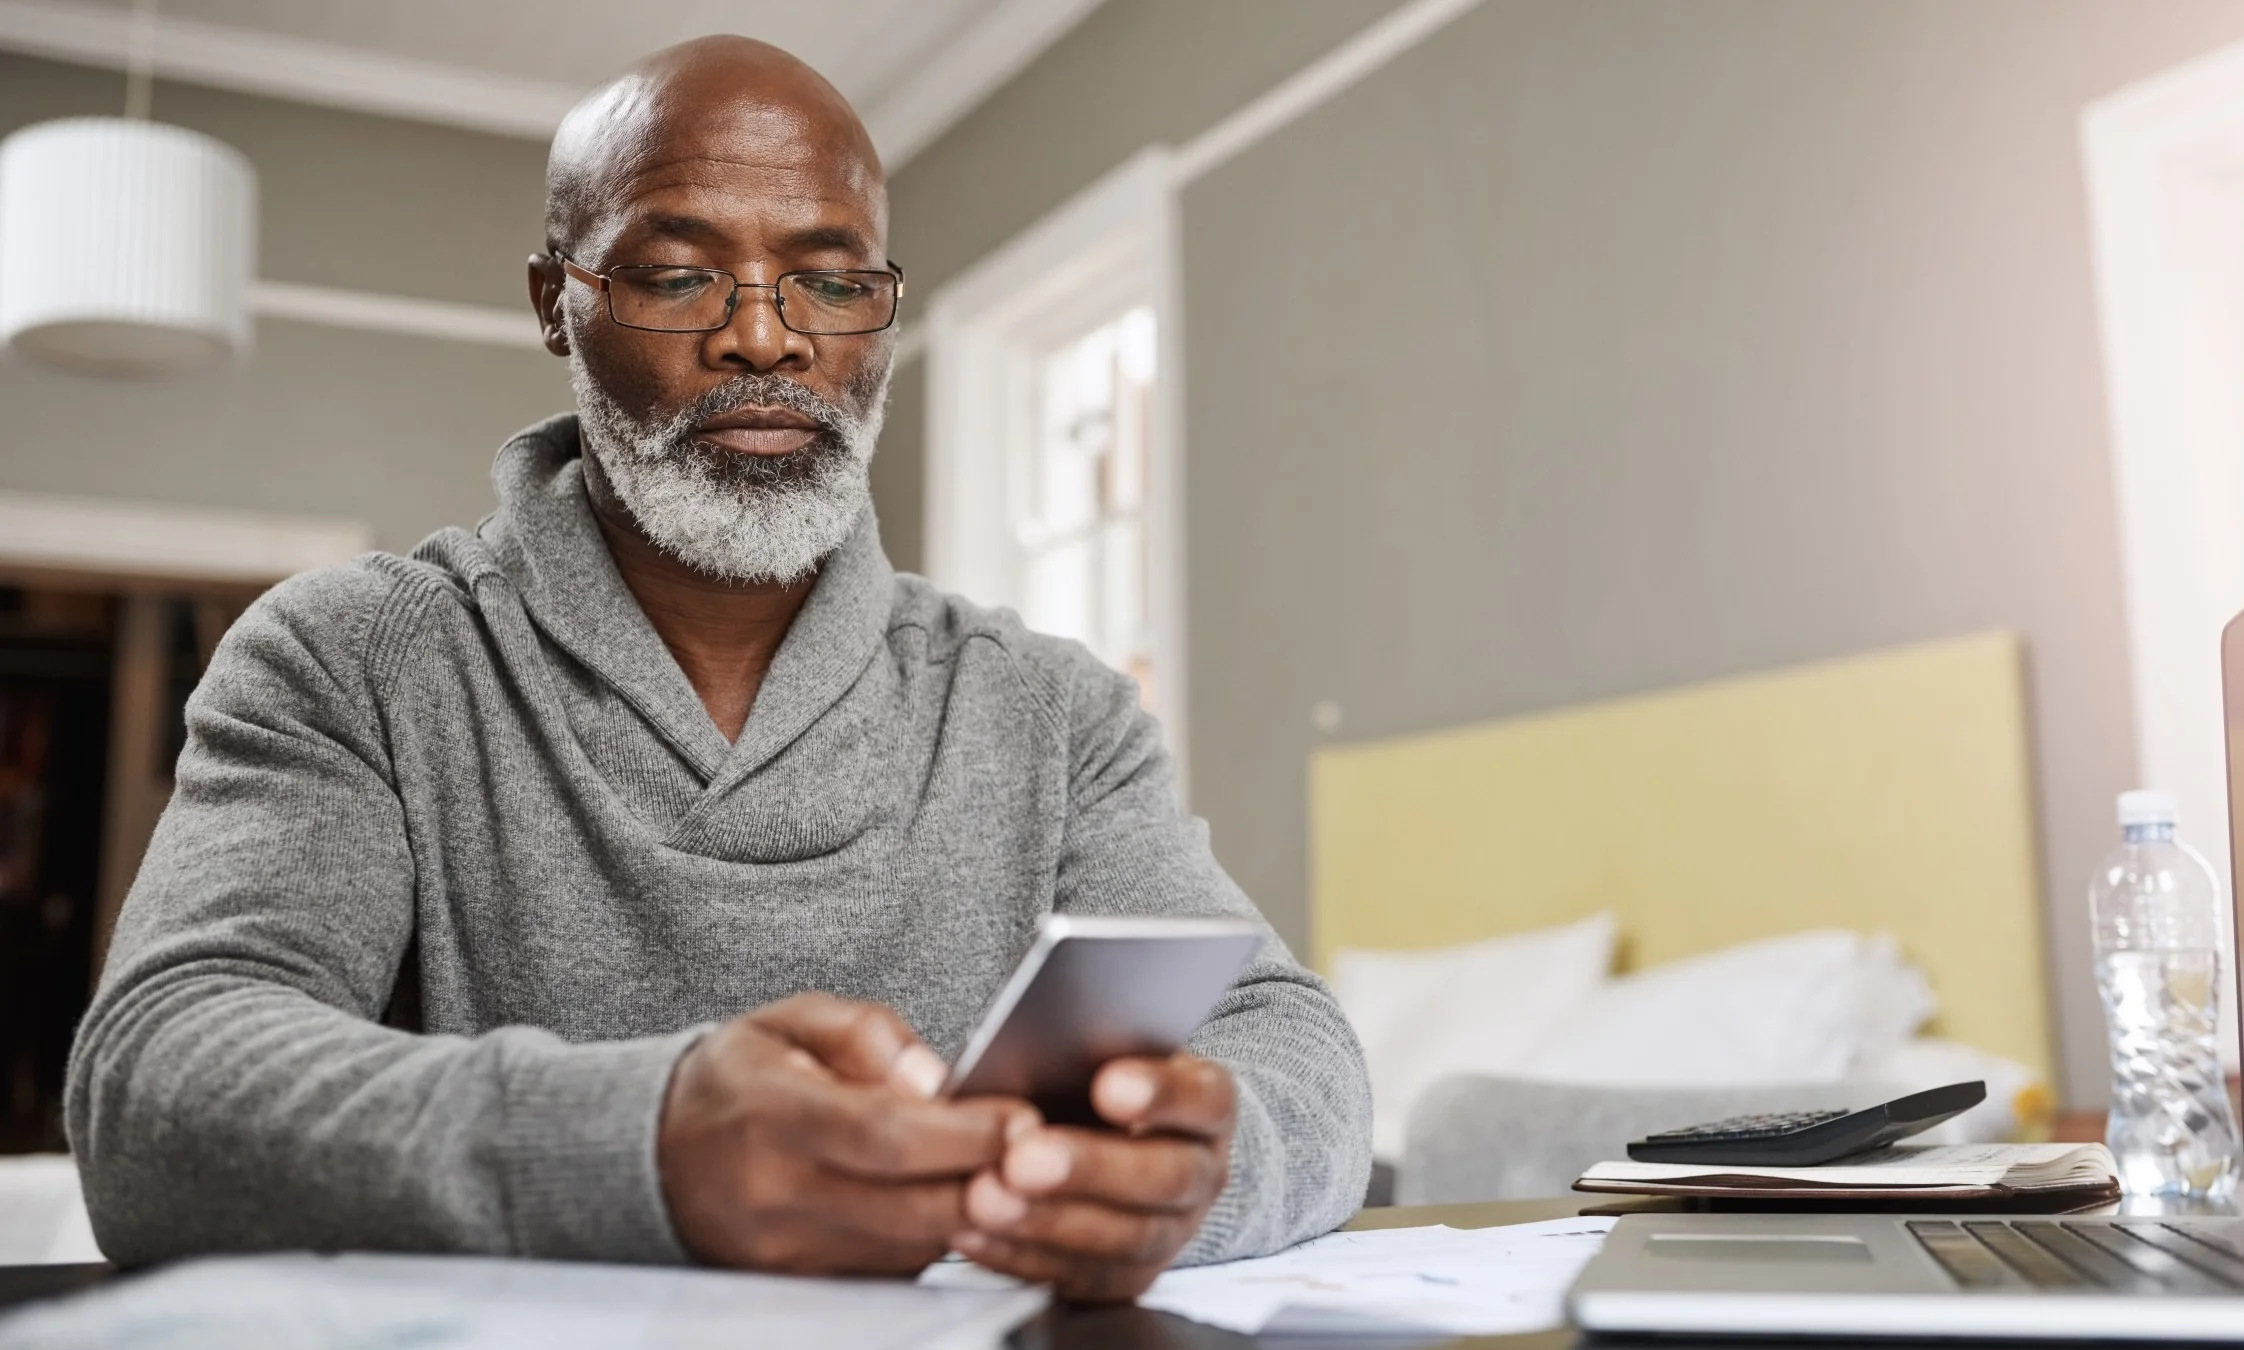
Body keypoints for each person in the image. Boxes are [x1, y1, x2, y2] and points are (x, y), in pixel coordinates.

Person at [64, 35, 1371, 1303]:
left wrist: (1203, 1167)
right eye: (677, 275)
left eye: (831, 279)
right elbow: (158, 1084)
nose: (766, 336)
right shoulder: (354, 657)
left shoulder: (1054, 709)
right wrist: (641, 1144)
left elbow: (1295, 1045)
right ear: (555, 307)